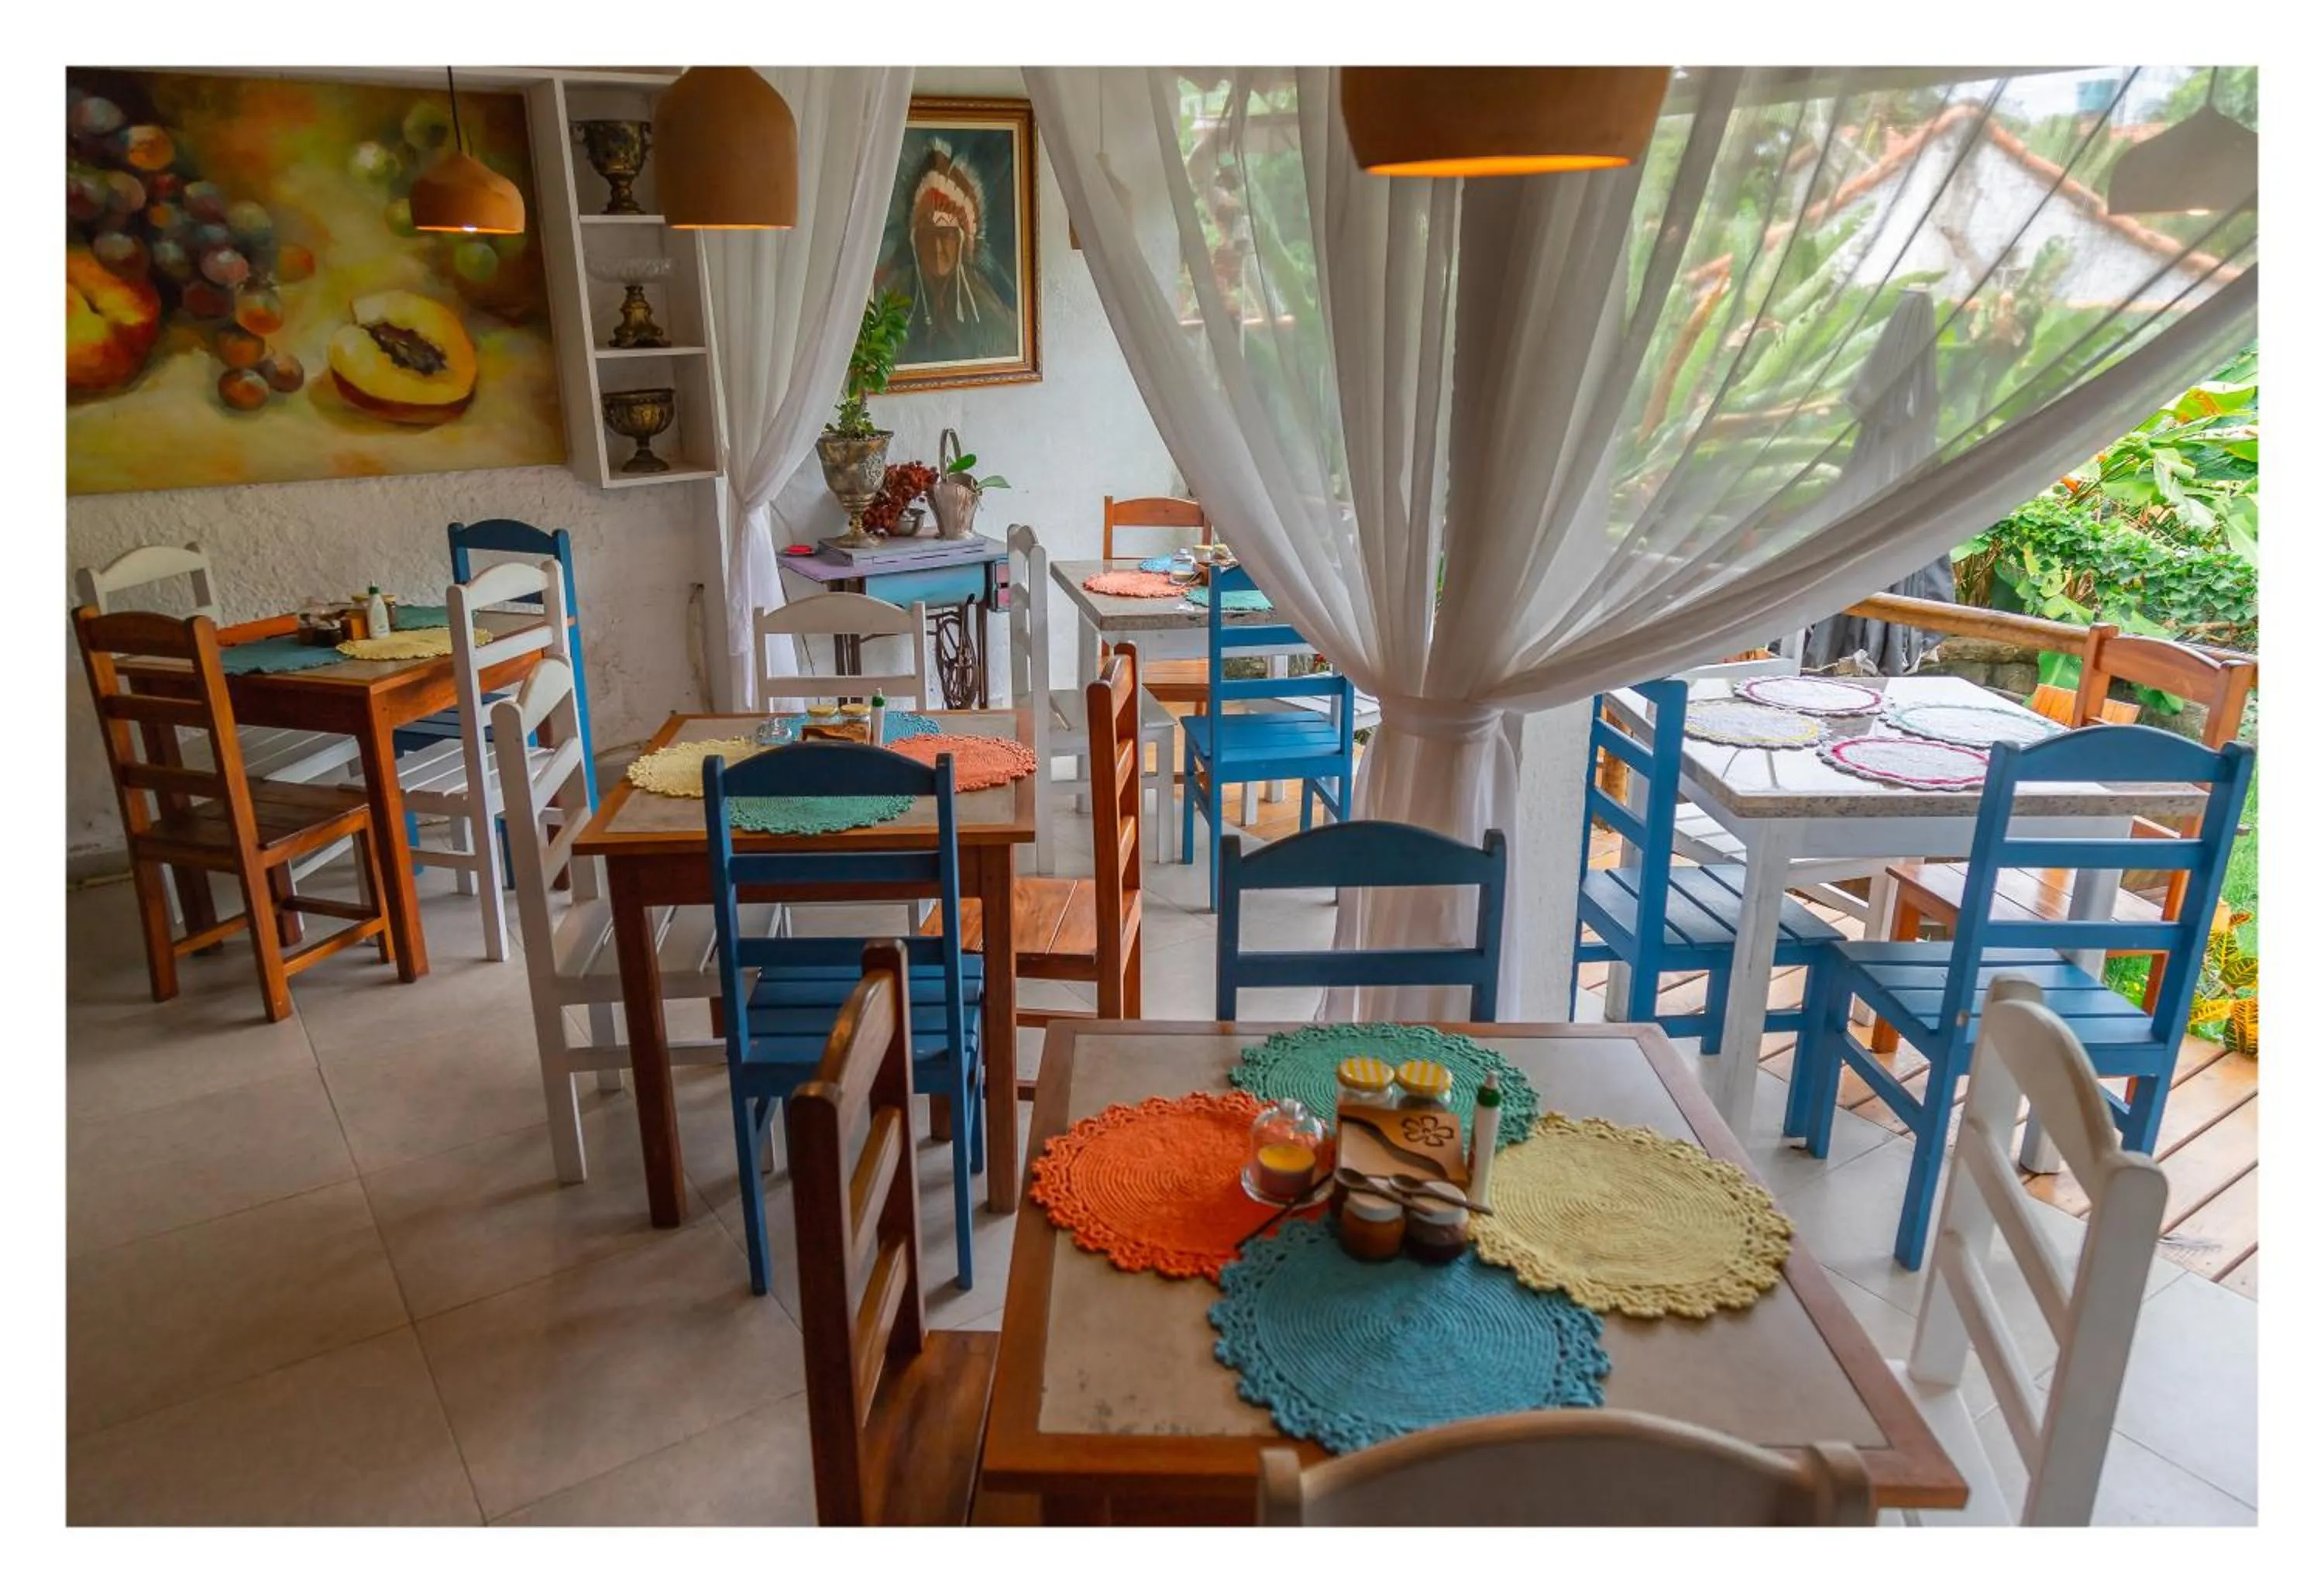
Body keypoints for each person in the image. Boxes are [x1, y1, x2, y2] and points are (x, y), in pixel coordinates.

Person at [879, 139, 1015, 366]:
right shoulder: (897, 291)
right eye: (927, 235)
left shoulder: (980, 299)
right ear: (915, 241)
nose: (937, 247)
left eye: (946, 235)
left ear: (963, 242)